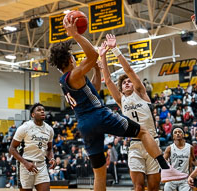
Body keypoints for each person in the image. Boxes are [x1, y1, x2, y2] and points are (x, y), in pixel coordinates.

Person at [48, 18, 187, 191]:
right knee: (142, 131)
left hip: (84, 125)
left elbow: (95, 89)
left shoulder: (65, 82)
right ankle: (166, 169)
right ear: (70, 59)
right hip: (98, 115)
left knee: (99, 172)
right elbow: (92, 54)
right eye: (74, 58)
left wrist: (97, 70)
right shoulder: (74, 74)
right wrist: (75, 34)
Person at [99, 34, 187, 191]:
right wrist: (103, 55)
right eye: (124, 82)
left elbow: (129, 70)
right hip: (134, 145)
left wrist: (116, 50)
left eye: (129, 81)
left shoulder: (140, 92)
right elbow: (108, 79)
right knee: (138, 187)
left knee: (153, 188)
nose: (127, 83)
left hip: (152, 142)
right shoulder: (120, 100)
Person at [9, 103, 55, 191]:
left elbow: (49, 149)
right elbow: (12, 149)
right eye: (39, 110)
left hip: (41, 165)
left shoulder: (49, 129)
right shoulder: (24, 128)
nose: (42, 111)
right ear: (33, 115)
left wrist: (51, 158)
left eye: (43, 110)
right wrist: (26, 163)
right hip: (25, 165)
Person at [164, 126, 197, 191]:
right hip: (172, 178)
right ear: (173, 137)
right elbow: (163, 162)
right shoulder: (169, 148)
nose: (178, 134)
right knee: (166, 188)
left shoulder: (190, 147)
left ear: (183, 135)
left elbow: (193, 160)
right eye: (175, 133)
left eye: (179, 132)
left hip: (184, 178)